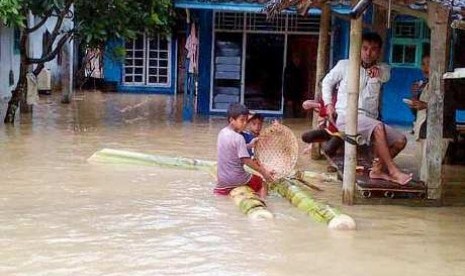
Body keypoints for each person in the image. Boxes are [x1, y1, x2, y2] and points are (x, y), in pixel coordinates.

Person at [321, 32, 412, 185]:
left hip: (369, 121)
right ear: (359, 49)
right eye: (365, 48)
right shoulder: (344, 65)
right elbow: (326, 82)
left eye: (373, 49)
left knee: (401, 140)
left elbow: (385, 76)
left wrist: (378, 73)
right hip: (346, 117)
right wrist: (329, 104)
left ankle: (377, 169)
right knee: (378, 127)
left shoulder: (383, 68)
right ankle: (393, 171)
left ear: (379, 51)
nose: (368, 53)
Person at [214, 103, 274, 198]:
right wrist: (264, 172)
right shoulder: (239, 138)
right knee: (262, 183)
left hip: (222, 180)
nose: (245, 123)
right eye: (242, 120)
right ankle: (263, 202)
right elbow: (247, 161)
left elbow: (232, 149)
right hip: (238, 178)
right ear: (231, 120)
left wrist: (250, 145)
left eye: (246, 120)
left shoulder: (222, 133)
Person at [284, 53, 305, 117]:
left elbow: (300, 84)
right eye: (296, 59)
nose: (297, 61)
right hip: (291, 96)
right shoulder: (289, 69)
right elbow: (286, 84)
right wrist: (288, 98)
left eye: (298, 60)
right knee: (290, 113)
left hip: (297, 96)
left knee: (296, 112)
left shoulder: (298, 69)